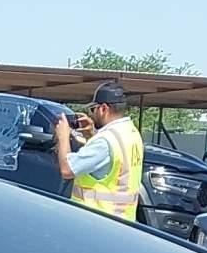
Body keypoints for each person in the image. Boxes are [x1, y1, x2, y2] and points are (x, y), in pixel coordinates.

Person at [54, 81, 145, 220]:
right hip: (122, 220)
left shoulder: (104, 141)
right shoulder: (131, 133)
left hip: (96, 220)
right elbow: (110, 160)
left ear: (103, 108)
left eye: (93, 109)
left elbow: (67, 170)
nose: (92, 114)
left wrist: (63, 136)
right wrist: (91, 134)